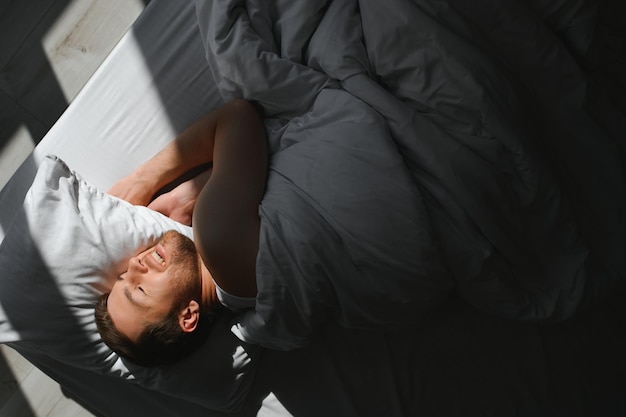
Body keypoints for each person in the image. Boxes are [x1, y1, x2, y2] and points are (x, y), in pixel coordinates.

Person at [95, 99, 268, 366]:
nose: (134, 263)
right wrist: (143, 181)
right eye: (139, 289)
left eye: (123, 276)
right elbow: (240, 115)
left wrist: (187, 197)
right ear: (188, 316)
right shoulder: (219, 242)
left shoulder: (247, 295)